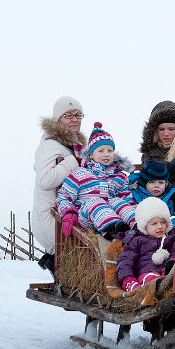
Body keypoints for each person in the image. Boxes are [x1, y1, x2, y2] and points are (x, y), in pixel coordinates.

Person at [55, 122, 136, 240]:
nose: (106, 154)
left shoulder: (119, 177)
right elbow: (63, 196)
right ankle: (111, 230)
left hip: (116, 218)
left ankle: (137, 227)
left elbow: (127, 199)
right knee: (94, 201)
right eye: (101, 151)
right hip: (87, 218)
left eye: (110, 150)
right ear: (91, 155)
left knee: (118, 201)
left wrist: (135, 211)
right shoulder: (80, 174)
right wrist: (68, 213)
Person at [33, 96, 86, 271]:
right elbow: (45, 180)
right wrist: (72, 162)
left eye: (78, 115)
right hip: (50, 217)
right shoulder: (50, 146)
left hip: (65, 214)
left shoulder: (72, 145)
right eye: (68, 115)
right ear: (58, 119)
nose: (74, 119)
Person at [115, 196, 175, 292]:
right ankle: (141, 287)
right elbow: (126, 261)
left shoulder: (172, 237)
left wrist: (171, 263)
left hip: (166, 273)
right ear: (144, 226)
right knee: (150, 278)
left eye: (163, 222)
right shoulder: (136, 240)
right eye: (154, 224)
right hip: (146, 273)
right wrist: (127, 279)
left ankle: (165, 282)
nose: (160, 227)